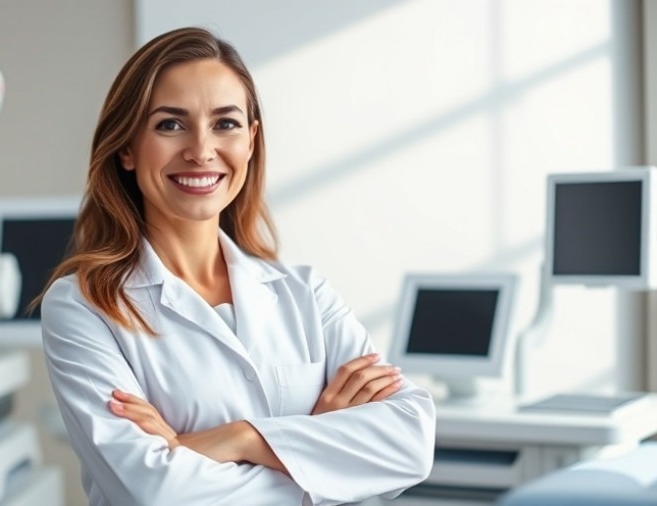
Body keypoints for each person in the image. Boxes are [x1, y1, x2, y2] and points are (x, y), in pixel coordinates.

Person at [38, 27, 436, 506]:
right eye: (170, 124)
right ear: (126, 147)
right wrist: (317, 448)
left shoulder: (305, 294)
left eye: (224, 124)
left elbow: (411, 441)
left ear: (250, 140)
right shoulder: (83, 306)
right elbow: (157, 494)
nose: (201, 150)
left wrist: (241, 439)